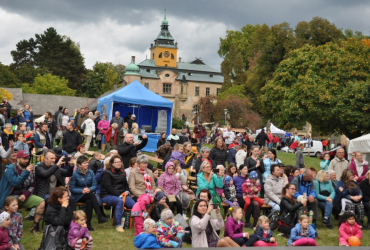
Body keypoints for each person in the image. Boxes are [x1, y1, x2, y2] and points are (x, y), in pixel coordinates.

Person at [0, 150, 45, 233]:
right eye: (24, 158)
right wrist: (26, 172)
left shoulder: (29, 169)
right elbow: (16, 183)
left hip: (23, 196)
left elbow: (32, 186)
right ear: (18, 159)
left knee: (41, 202)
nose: (26, 160)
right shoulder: (10, 169)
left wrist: (26, 194)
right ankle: (7, 228)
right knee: (12, 204)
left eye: (27, 158)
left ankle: (35, 226)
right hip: (10, 196)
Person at [70, 155, 108, 231]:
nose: (87, 164)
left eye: (87, 162)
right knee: (91, 196)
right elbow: (72, 188)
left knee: (89, 201)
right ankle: (99, 215)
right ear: (79, 165)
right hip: (78, 195)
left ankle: (88, 224)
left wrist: (89, 189)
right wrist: (82, 191)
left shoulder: (90, 172)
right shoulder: (75, 174)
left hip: (88, 194)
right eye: (84, 163)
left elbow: (94, 184)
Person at [100, 155, 135, 232]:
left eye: (120, 162)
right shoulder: (106, 173)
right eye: (116, 162)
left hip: (122, 194)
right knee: (119, 201)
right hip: (107, 195)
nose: (119, 163)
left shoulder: (123, 172)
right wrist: (119, 195)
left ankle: (137, 223)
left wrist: (127, 191)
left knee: (134, 205)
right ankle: (118, 225)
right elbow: (108, 187)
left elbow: (126, 184)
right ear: (112, 163)